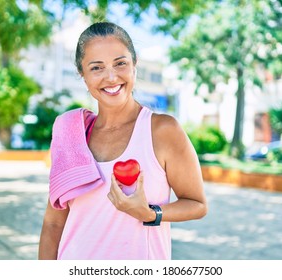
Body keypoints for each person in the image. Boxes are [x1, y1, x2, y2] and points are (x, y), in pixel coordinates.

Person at [38, 22, 207, 260]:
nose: (111, 76)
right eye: (96, 68)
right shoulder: (71, 135)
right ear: (82, 75)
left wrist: (150, 213)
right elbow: (54, 223)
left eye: (120, 63)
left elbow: (197, 204)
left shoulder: (162, 130)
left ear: (134, 66)